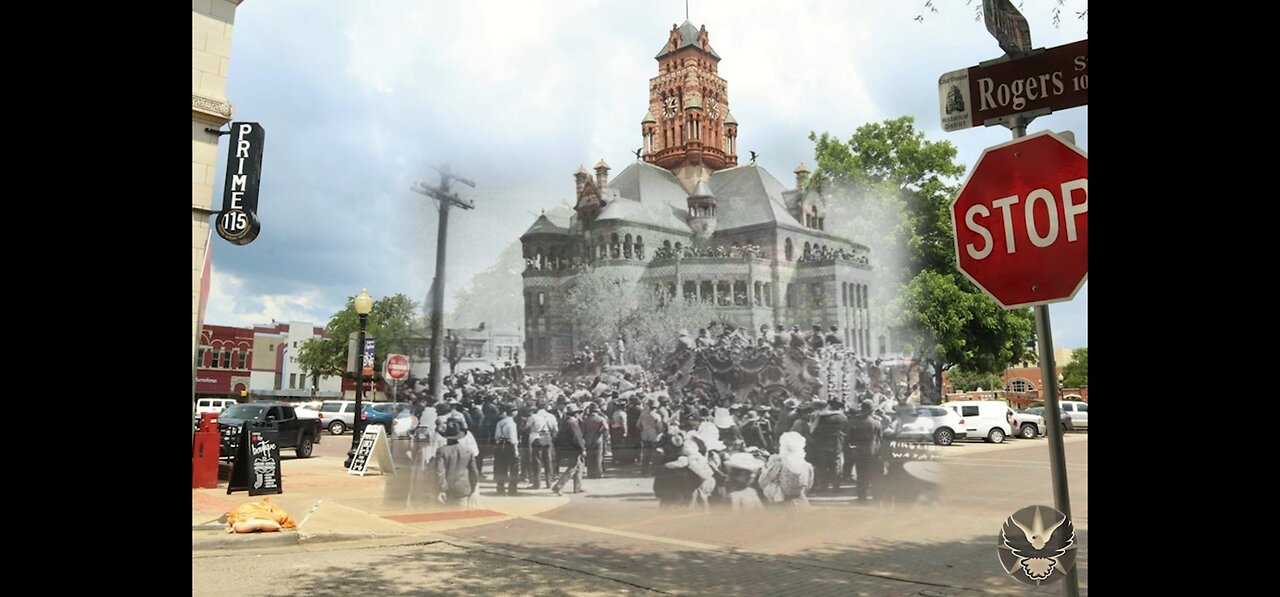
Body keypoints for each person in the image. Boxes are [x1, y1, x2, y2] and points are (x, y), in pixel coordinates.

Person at [759, 431, 814, 507]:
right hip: (802, 502)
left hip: (783, 503)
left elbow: (763, 481)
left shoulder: (779, 464)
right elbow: (808, 486)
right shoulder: (807, 466)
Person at [434, 419, 480, 507]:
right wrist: (472, 488)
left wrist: (441, 489)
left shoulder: (442, 451)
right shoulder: (468, 451)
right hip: (463, 488)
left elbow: (440, 472)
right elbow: (474, 472)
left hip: (448, 488)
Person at [809, 399, 848, 493]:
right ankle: (836, 487)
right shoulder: (842, 417)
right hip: (836, 444)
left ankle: (824, 487)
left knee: (822, 466)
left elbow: (812, 430)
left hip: (821, 444)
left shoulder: (820, 417)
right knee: (835, 465)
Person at [848, 400, 883, 501]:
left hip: (860, 452)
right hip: (874, 452)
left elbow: (850, 438)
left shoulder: (856, 422)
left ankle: (862, 497)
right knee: (875, 476)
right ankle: (876, 497)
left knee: (861, 476)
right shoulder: (877, 423)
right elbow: (880, 438)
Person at [551, 403, 586, 495]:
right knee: (573, 468)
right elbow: (576, 437)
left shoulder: (566, 422)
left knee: (579, 466)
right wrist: (582, 449)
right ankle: (558, 486)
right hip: (574, 448)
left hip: (568, 447)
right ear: (575, 413)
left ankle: (577, 487)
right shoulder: (572, 423)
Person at [492, 404, 520, 495]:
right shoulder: (512, 423)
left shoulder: (500, 422)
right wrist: (516, 449)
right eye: (515, 410)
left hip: (500, 444)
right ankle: (512, 489)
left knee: (501, 467)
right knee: (513, 468)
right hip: (509, 445)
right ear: (512, 412)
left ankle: (500, 488)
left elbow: (496, 436)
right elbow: (513, 438)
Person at [581, 402, 610, 478]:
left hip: (588, 438)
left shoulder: (586, 420)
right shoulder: (600, 419)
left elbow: (582, 430)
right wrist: (600, 432)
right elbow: (606, 428)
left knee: (590, 456)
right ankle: (598, 473)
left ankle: (590, 473)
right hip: (597, 438)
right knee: (598, 456)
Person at [638, 399, 666, 475]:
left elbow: (638, 425)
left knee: (646, 454)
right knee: (655, 455)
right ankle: (653, 471)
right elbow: (659, 428)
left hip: (645, 436)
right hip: (655, 437)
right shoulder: (657, 416)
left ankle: (644, 471)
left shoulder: (642, 414)